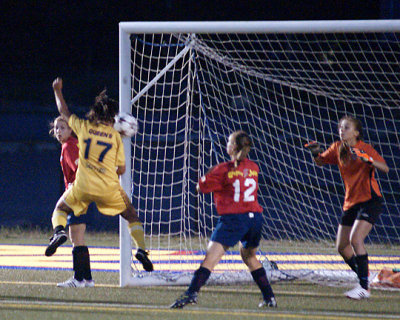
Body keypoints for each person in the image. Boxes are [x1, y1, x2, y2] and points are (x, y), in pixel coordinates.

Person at [45, 77, 153, 274]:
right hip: (108, 188)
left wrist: (57, 91)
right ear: (112, 119)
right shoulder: (115, 137)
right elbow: (121, 170)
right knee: (131, 215)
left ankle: (58, 232)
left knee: (60, 208)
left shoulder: (84, 128)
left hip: (83, 186)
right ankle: (142, 249)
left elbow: (64, 112)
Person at [171, 131, 277, 309]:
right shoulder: (254, 167)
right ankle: (269, 297)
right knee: (250, 257)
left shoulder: (222, 169)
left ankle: (191, 293)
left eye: (229, 142)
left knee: (211, 258)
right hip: (255, 219)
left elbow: (200, 188)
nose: (226, 144)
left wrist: (206, 178)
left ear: (234, 147)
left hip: (234, 219)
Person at [305, 115, 389, 300]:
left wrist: (369, 160)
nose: (342, 130)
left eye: (346, 127)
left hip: (370, 200)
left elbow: (385, 168)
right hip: (350, 202)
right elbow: (321, 161)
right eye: (340, 127)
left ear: (356, 132)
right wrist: (315, 153)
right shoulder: (338, 147)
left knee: (355, 240)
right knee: (342, 246)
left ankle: (364, 288)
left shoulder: (365, 148)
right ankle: (365, 277)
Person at [49, 116, 94, 287]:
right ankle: (87, 279)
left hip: (78, 193)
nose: (58, 131)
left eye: (62, 128)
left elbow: (80, 169)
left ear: (70, 130)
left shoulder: (69, 146)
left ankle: (78, 279)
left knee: (59, 212)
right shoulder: (72, 144)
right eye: (56, 128)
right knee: (78, 238)